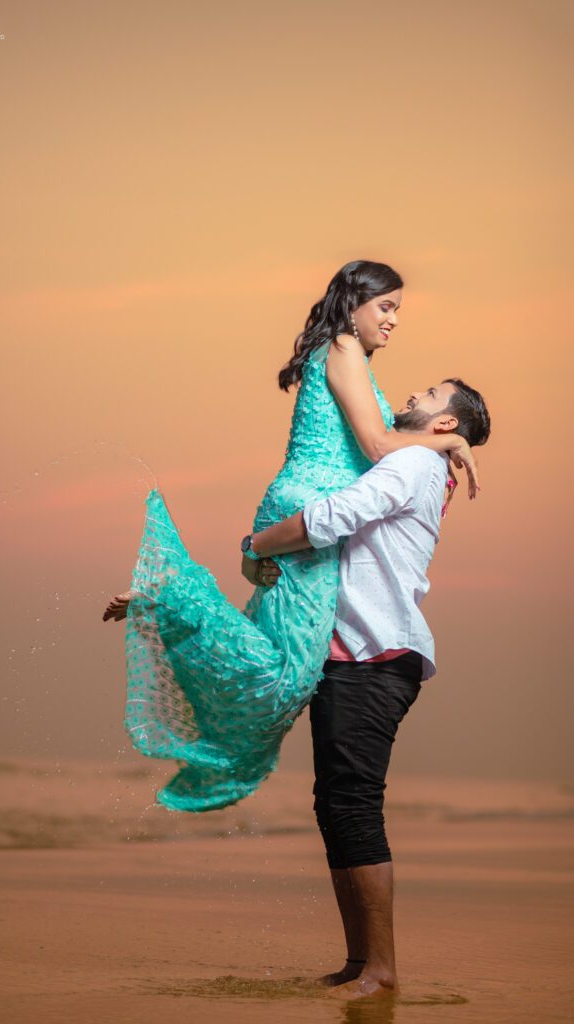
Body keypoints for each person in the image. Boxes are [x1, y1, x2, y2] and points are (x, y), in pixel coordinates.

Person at [103, 260, 479, 812]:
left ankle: (169, 603)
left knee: (277, 652)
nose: (395, 320)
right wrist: (447, 444)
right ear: (355, 301)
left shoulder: (351, 358)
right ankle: (170, 597)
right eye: (387, 306)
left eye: (397, 309)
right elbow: (377, 446)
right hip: (310, 510)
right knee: (287, 678)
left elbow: (382, 445)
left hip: (311, 509)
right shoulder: (345, 348)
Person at [239, 377, 491, 1000]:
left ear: (443, 424)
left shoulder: (412, 462)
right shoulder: (418, 458)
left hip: (376, 657)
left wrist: (254, 545)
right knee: (335, 805)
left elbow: (334, 516)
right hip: (354, 656)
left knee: (353, 805)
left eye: (430, 393)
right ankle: (359, 964)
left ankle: (381, 971)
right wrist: (455, 442)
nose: (412, 392)